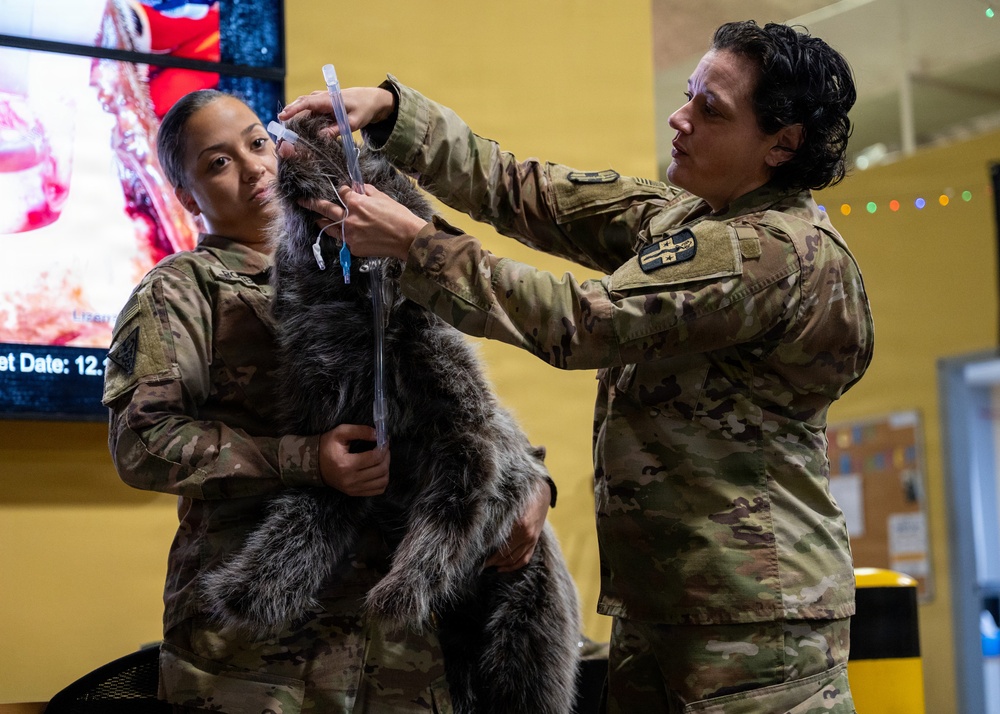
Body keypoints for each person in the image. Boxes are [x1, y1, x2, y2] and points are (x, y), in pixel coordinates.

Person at [278, 19, 873, 713]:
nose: (680, 118)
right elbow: (527, 191)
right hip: (670, 601)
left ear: (783, 143)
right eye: (688, 93)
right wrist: (393, 116)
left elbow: (582, 322)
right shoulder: (693, 220)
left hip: (752, 625)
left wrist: (418, 247)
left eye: (711, 110)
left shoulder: (771, 254)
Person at [101, 88, 550, 713]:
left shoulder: (368, 252)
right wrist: (306, 459)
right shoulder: (181, 291)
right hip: (263, 652)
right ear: (186, 196)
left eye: (258, 144)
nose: (254, 167)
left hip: (402, 644)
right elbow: (142, 442)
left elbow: (453, 390)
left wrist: (533, 485)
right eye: (219, 162)